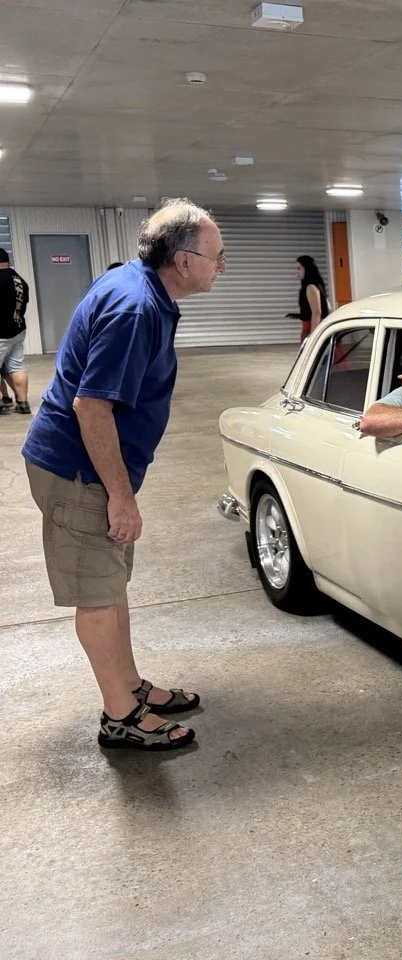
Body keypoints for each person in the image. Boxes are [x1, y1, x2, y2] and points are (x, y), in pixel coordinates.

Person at [21, 198, 225, 752]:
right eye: (216, 256)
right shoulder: (135, 307)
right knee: (97, 592)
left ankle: (130, 687)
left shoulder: (141, 288)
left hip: (89, 467)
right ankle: (121, 718)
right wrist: (119, 496)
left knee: (109, 585)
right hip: (79, 470)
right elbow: (92, 405)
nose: (221, 265)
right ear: (183, 261)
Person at [0, 247, 31, 415]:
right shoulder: (19, 280)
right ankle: (23, 403)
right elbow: (23, 304)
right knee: (17, 366)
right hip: (18, 330)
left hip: (1, 333)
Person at [296, 254, 330, 341]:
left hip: (312, 328)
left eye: (299, 268)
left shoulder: (311, 287)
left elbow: (317, 312)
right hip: (315, 328)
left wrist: (313, 336)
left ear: (307, 269)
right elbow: (327, 306)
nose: (297, 272)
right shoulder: (317, 285)